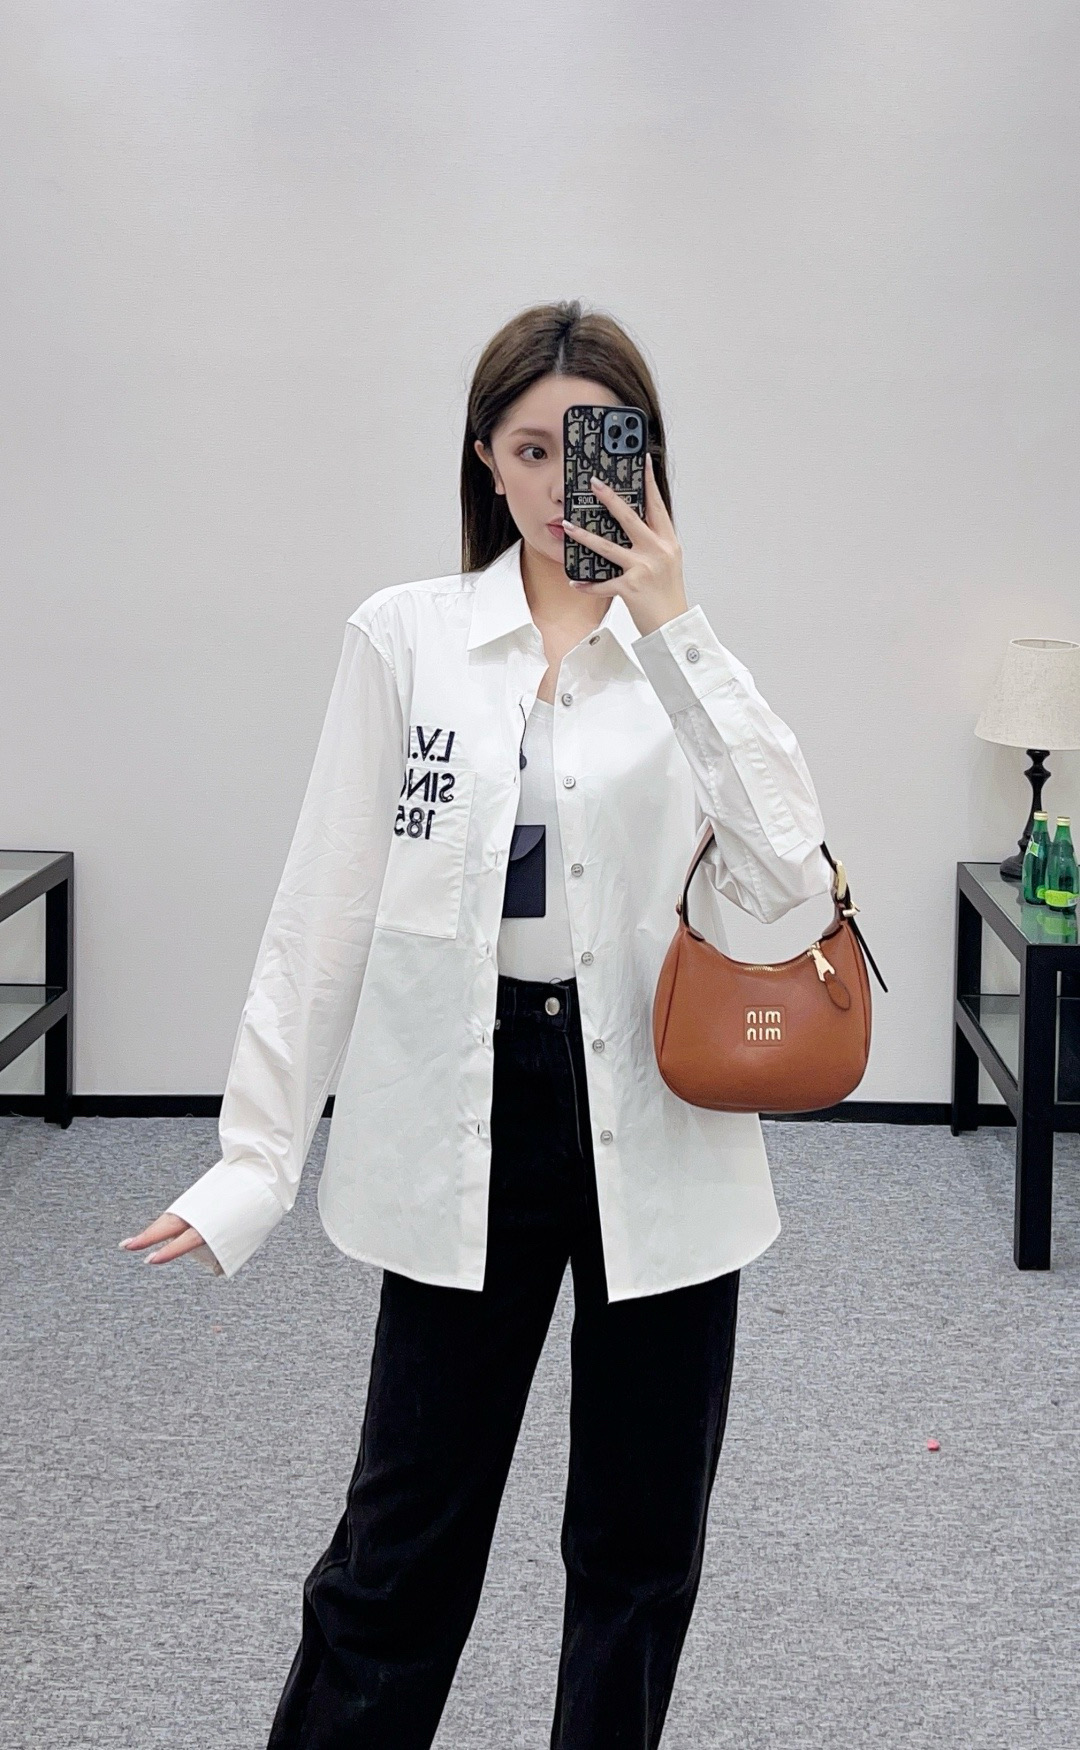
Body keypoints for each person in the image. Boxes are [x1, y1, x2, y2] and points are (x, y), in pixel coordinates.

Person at [121, 299, 834, 1749]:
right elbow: (327, 901)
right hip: (469, 1104)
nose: (563, 481)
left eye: (594, 446)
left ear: (646, 458)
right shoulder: (409, 638)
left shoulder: (685, 664)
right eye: (530, 448)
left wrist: (675, 623)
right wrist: (257, 1155)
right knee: (403, 1538)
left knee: (640, 1548)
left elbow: (794, 880)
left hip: (658, 1112)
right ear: (486, 462)